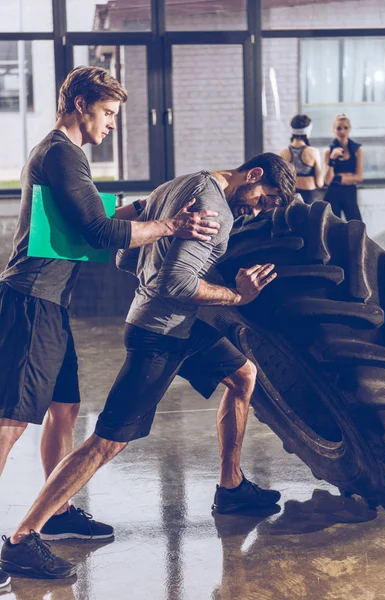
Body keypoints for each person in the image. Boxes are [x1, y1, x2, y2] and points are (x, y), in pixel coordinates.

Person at [0, 153, 297, 580]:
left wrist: (152, 272)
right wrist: (238, 296)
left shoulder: (181, 184)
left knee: (242, 375)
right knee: (106, 443)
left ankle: (230, 488)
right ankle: (23, 538)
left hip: (177, 327)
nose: (257, 208)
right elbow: (178, 283)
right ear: (253, 175)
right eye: (263, 198)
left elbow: (125, 256)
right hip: (159, 337)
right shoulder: (215, 210)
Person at [0, 65, 220, 584]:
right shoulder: (60, 152)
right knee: (9, 426)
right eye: (108, 113)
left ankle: (53, 516)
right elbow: (100, 232)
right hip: (31, 301)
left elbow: (88, 218)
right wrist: (172, 224)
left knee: (65, 405)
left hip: (50, 304)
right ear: (80, 104)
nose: (112, 124)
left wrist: (147, 208)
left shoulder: (65, 156)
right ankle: (15, 546)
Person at [323, 114, 363, 221]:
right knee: (333, 226)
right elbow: (327, 180)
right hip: (333, 192)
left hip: (349, 191)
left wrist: (339, 178)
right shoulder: (328, 152)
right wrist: (332, 159)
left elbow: (359, 177)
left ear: (349, 129)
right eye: (339, 128)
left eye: (345, 128)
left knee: (356, 224)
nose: (342, 131)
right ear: (334, 130)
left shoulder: (356, 150)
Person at [280, 114, 323, 204]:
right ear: (307, 131)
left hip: (291, 197)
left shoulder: (283, 153)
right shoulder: (313, 152)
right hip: (310, 197)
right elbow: (319, 183)